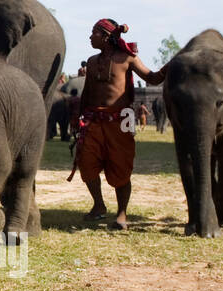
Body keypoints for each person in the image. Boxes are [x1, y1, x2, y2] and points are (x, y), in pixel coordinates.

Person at [70, 19, 164, 230]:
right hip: (93, 121)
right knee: (86, 163)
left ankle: (122, 213)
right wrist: (79, 118)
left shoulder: (128, 58)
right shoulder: (92, 61)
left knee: (120, 167)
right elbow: (88, 92)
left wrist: (170, 67)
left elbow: (153, 77)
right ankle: (99, 205)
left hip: (120, 123)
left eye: (93, 33)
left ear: (105, 36)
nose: (90, 37)